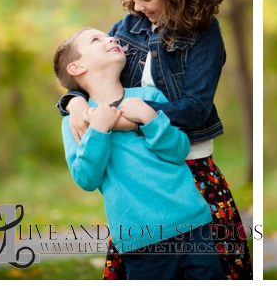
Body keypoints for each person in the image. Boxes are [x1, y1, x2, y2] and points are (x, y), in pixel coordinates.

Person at [56, 0, 252, 280]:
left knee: (211, 268)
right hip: (137, 185)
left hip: (190, 167)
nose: (137, 4)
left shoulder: (204, 35)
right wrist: (72, 103)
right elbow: (90, 77)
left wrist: (133, 120)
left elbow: (194, 108)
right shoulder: (126, 27)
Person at [54, 27, 224, 280]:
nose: (111, 38)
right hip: (139, 236)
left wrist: (148, 117)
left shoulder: (148, 98)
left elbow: (179, 151)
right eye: (95, 39)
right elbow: (86, 178)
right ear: (76, 68)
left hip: (191, 222)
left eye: (108, 36)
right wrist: (99, 130)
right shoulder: (78, 121)